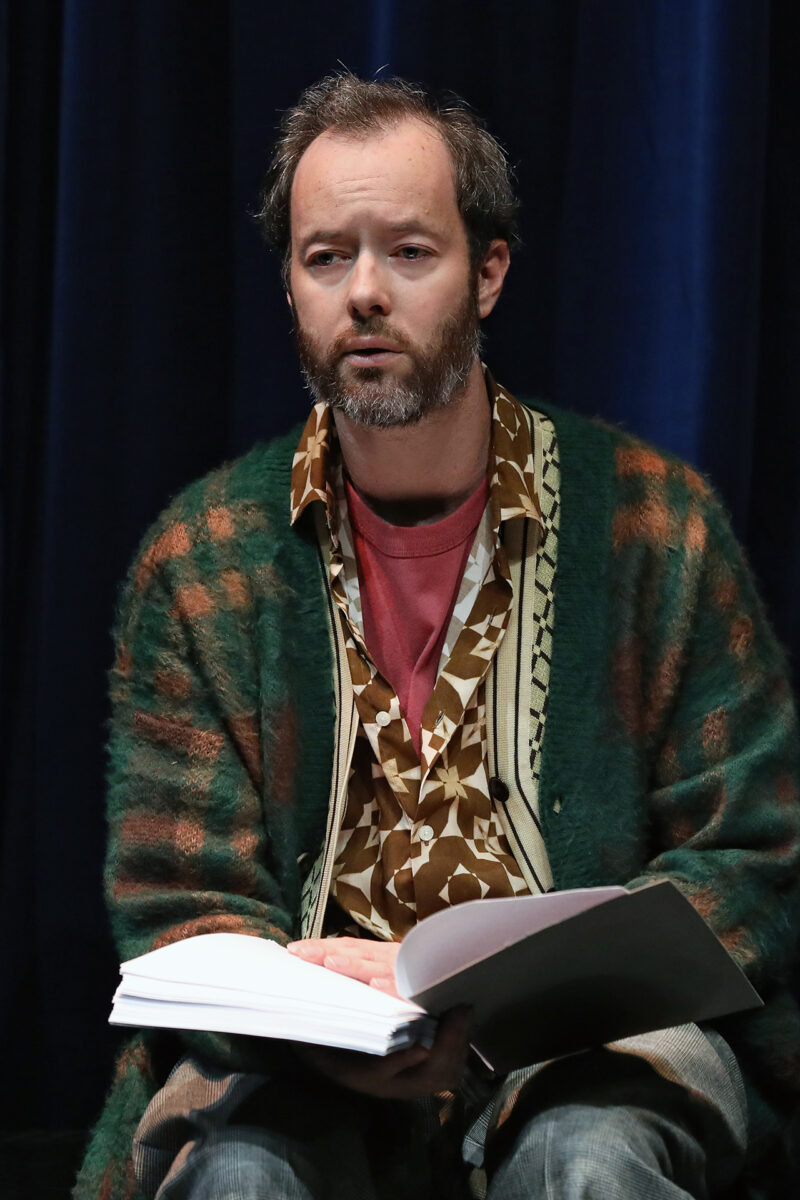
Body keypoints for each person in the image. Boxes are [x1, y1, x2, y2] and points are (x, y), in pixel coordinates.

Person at [74, 74, 800, 1200]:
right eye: (325, 258)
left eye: (409, 252)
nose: (364, 293)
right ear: (291, 289)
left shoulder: (656, 528)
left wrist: (535, 992)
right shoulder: (203, 556)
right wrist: (319, 1017)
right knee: (241, 1176)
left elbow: (752, 854)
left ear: (488, 271)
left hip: (594, 1043)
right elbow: (180, 900)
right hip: (301, 1064)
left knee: (588, 1158)